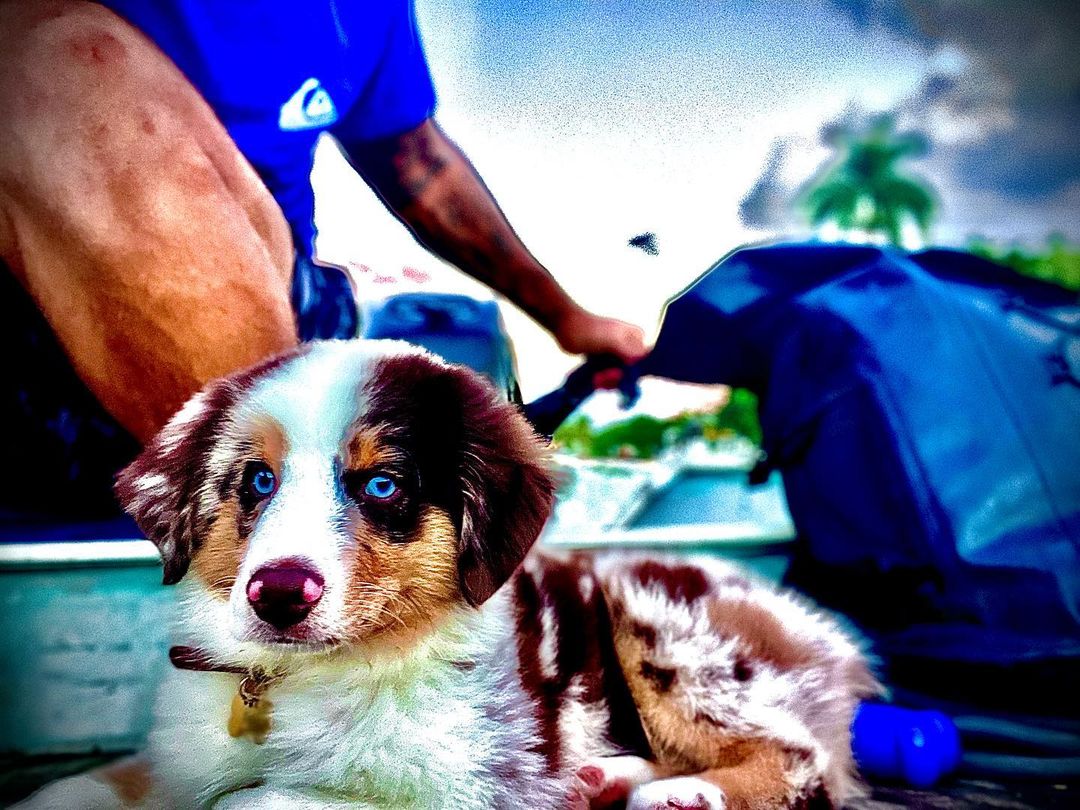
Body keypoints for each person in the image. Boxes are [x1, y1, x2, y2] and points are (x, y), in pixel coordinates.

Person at [0, 0, 645, 511]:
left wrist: (569, 319)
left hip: (286, 312)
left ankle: (311, 517)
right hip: (40, 323)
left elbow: (421, 169)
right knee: (56, 59)